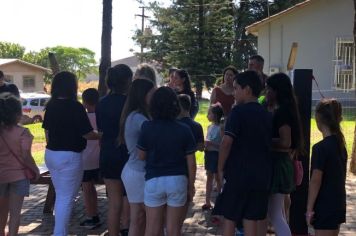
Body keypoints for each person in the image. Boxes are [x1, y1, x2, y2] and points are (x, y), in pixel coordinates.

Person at [42, 71, 100, 236]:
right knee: (66, 198)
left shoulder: (51, 106)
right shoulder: (76, 107)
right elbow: (87, 134)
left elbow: (47, 132)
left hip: (51, 154)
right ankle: (59, 232)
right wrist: (102, 135)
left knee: (62, 195)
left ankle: (61, 231)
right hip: (70, 156)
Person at [215, 71, 272, 236]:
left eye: (236, 88)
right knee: (251, 218)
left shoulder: (238, 112)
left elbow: (226, 142)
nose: (233, 93)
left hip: (239, 174)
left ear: (247, 89)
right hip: (261, 174)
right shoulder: (266, 115)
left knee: (230, 217)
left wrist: (220, 168)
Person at [137, 87, 197, 236]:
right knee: (173, 229)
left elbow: (141, 156)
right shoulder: (184, 129)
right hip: (178, 180)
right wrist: (191, 186)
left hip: (154, 179)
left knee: (151, 228)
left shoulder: (147, 127)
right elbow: (192, 163)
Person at [260, 73, 305, 236]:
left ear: (276, 91)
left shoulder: (282, 113)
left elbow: (285, 142)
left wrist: (264, 141)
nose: (266, 92)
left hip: (278, 166)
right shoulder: (286, 109)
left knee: (275, 214)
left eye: (268, 89)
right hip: (281, 164)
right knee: (277, 213)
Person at [95, 64, 132, 236]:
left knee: (114, 202)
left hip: (108, 153)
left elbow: (101, 129)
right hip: (128, 154)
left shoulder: (102, 103)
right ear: (128, 81)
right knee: (131, 199)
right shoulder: (131, 103)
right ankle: (128, 228)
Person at [119, 79, 155, 236]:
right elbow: (155, 135)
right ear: (143, 94)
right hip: (138, 172)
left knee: (141, 218)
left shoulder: (140, 115)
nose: (154, 96)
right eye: (152, 93)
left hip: (137, 171)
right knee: (139, 217)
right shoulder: (138, 118)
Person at [0, 93, 40, 236]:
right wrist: (35, 169)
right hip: (19, 175)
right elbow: (25, 156)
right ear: (17, 113)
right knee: (15, 212)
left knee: (1, 211)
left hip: (1, 175)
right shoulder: (23, 132)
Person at [306, 99, 347, 236]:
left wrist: (309, 208)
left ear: (318, 119)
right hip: (338, 203)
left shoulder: (320, 148)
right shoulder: (341, 145)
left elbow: (316, 180)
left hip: (325, 205)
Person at [177, 94, 204, 225]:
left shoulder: (175, 125)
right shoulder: (197, 126)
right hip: (189, 169)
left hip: (177, 166)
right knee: (186, 200)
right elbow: (201, 147)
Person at [79, 88, 101, 229]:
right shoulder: (102, 116)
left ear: (84, 102)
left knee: (88, 190)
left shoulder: (83, 118)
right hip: (101, 158)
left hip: (86, 160)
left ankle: (92, 216)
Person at [202, 103, 224, 210]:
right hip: (209, 154)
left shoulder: (221, 128)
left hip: (216, 155)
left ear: (215, 115)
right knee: (209, 177)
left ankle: (220, 201)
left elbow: (222, 145)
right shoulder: (209, 127)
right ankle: (207, 201)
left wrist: (211, 143)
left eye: (209, 113)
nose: (207, 116)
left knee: (218, 178)